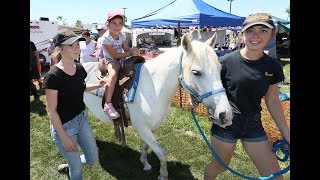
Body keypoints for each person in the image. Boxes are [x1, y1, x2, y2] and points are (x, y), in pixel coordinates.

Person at [188, 12, 290, 180]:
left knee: (275, 177)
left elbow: (272, 101)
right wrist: (195, 97)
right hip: (225, 124)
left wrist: (287, 134)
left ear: (272, 34)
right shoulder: (225, 62)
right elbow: (206, 85)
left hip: (253, 125)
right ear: (242, 34)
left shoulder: (273, 66)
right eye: (250, 30)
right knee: (219, 167)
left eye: (263, 30)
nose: (256, 35)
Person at [42, 29, 106, 180]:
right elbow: (51, 111)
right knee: (77, 172)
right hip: (64, 126)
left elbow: (80, 87)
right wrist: (63, 137)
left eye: (78, 44)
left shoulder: (79, 68)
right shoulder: (53, 76)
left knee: (92, 157)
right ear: (60, 48)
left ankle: (72, 163)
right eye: (71, 45)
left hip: (82, 119)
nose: (77, 48)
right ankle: (73, 165)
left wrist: (98, 85)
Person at [99, 10, 139, 119]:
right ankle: (108, 103)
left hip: (121, 58)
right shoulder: (105, 38)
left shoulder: (122, 35)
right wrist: (128, 53)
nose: (117, 26)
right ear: (108, 24)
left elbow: (126, 49)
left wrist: (133, 51)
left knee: (138, 64)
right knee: (113, 75)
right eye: (114, 23)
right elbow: (115, 55)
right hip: (111, 60)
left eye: (120, 23)